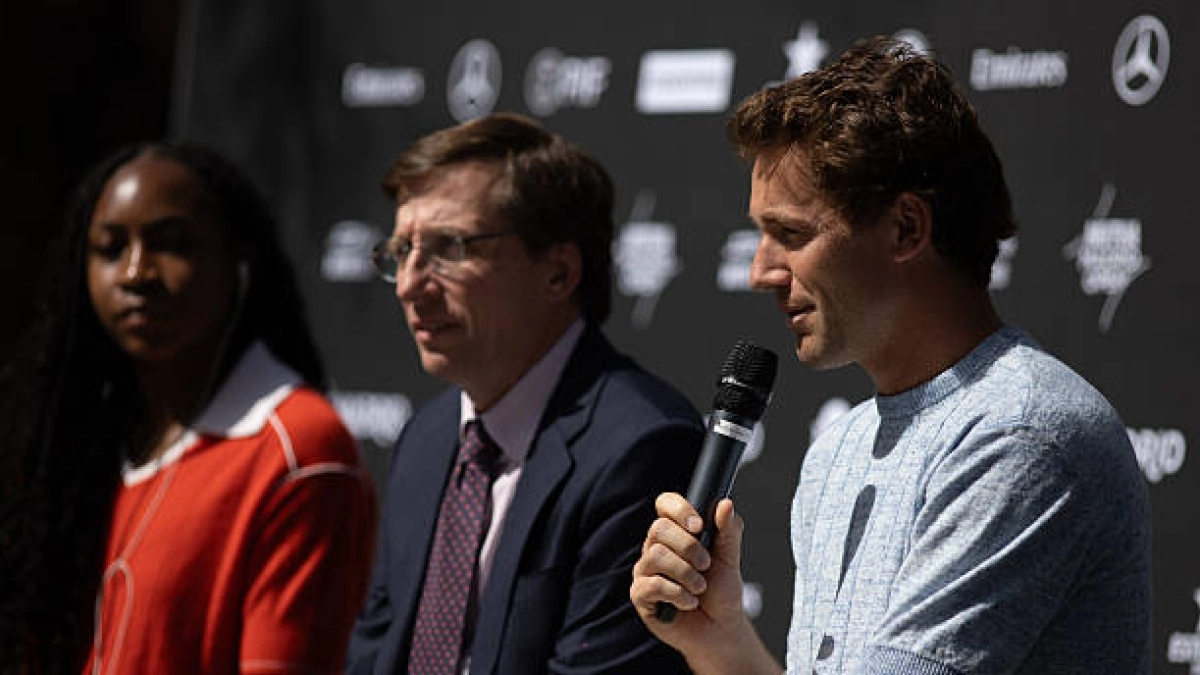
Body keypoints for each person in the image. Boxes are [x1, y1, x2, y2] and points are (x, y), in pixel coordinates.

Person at [629, 36, 1151, 674]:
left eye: (790, 235)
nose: (760, 272)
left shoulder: (1021, 434)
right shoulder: (838, 450)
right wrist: (722, 642)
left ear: (906, 228)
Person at [345, 112, 703, 674]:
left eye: (449, 248)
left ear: (558, 272)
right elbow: (373, 655)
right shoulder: (428, 437)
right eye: (402, 252)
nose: (411, 284)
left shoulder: (643, 447)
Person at [0, 142, 377, 674]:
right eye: (110, 249)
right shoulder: (75, 445)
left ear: (239, 259)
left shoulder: (297, 450)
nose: (135, 273)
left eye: (171, 244)